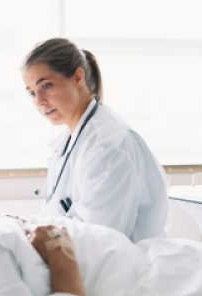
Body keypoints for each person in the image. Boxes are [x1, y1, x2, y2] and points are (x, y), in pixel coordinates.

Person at [23, 38, 170, 243]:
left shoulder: (107, 145)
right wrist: (24, 227)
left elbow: (99, 239)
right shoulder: (74, 139)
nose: (39, 101)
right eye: (31, 93)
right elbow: (59, 215)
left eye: (46, 86)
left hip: (120, 263)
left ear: (77, 78)